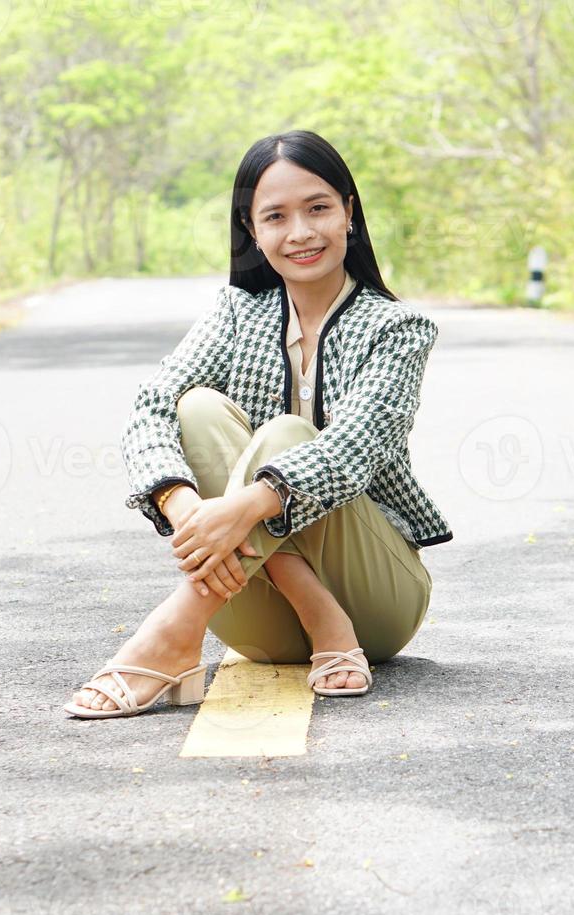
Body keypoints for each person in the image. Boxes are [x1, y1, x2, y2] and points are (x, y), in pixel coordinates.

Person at [63, 129, 453, 719]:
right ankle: (310, 605)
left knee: (286, 436)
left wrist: (241, 508)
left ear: (349, 212)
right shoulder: (236, 313)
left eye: (318, 208)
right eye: (275, 216)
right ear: (252, 230)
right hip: (260, 621)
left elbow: (353, 449)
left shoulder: (396, 329)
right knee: (193, 408)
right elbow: (150, 408)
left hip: (376, 604)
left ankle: (174, 631)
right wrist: (184, 505)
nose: (300, 233)